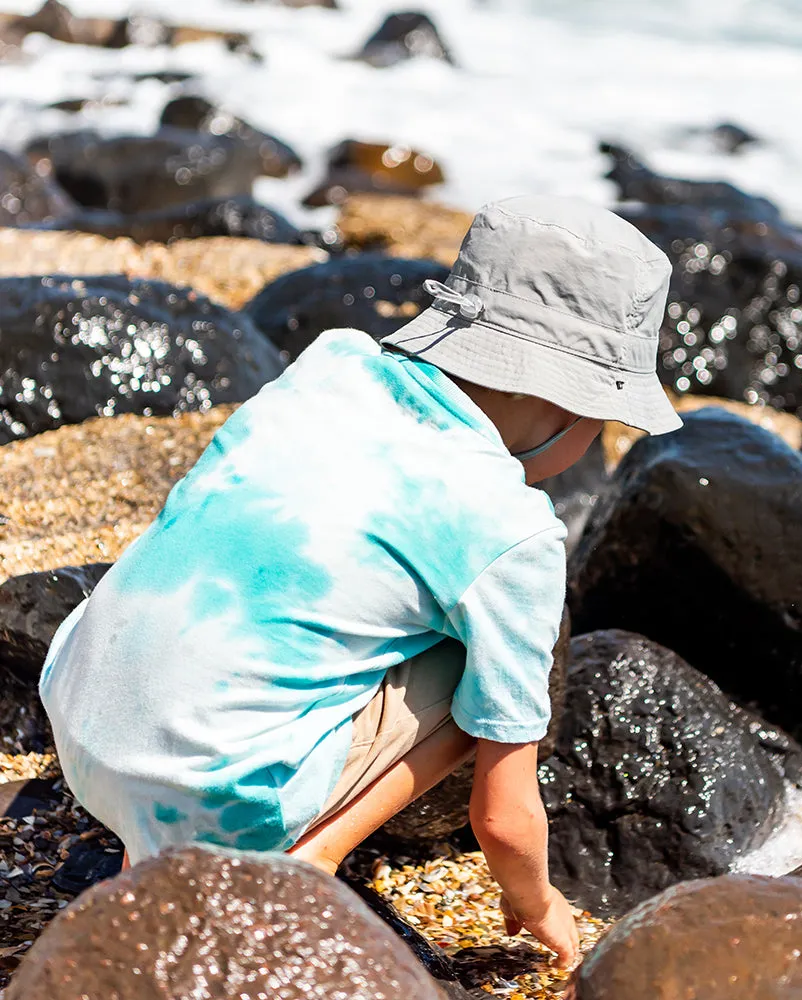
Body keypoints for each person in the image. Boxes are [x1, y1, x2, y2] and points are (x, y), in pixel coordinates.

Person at [39, 195, 681, 969]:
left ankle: (156, 839)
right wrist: (538, 903)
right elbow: (503, 816)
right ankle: (307, 858)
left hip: (78, 716)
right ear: (561, 397)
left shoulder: (333, 361)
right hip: (206, 795)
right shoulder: (510, 529)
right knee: (479, 666)